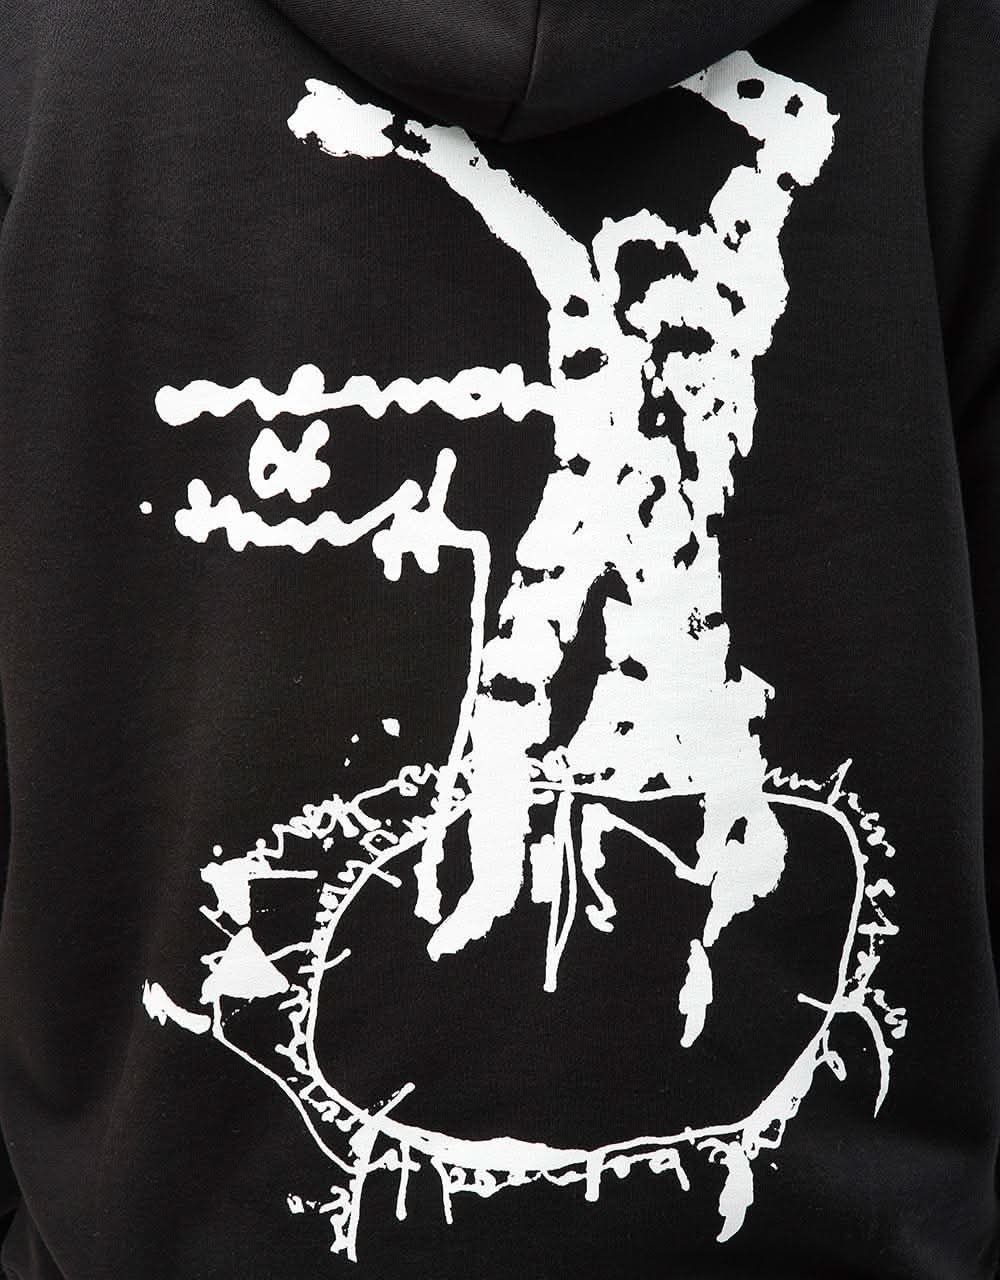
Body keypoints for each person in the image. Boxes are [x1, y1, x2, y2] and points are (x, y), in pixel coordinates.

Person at [0, 1, 998, 1276]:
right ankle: (510, 890)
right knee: (545, 722)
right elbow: (684, 183)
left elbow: (618, 206)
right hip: (603, 559)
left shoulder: (49, 35)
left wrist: (408, 147)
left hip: (640, 570)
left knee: (616, 740)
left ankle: (594, 892)